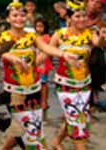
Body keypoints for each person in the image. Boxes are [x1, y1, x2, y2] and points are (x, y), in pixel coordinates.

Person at [0, 0, 78, 149]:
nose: (19, 18)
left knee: (34, 127)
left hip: (34, 89)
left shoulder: (32, 36)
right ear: (8, 19)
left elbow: (46, 48)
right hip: (15, 92)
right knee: (28, 132)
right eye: (14, 15)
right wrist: (8, 55)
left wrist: (63, 54)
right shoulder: (3, 37)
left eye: (22, 15)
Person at [50, 1, 106, 149]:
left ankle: (56, 141)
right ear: (69, 18)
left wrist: (102, 37)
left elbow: (99, 44)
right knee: (78, 122)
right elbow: (47, 52)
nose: (82, 19)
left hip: (85, 83)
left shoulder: (90, 33)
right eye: (77, 16)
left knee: (76, 116)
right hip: (65, 84)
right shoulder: (59, 34)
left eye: (83, 16)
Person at [34, 18, 53, 121]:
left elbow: (48, 52)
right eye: (37, 26)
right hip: (37, 62)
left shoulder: (46, 38)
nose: (39, 28)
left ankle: (44, 101)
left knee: (43, 83)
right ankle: (40, 100)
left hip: (44, 63)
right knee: (39, 82)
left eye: (41, 26)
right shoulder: (35, 37)